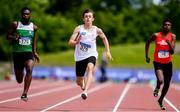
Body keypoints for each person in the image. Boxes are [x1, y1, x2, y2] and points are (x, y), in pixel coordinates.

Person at [68, 9, 113, 100]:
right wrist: (76, 42)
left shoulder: (97, 30)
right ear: (83, 19)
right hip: (79, 57)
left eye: (90, 16)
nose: (88, 18)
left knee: (90, 68)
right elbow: (70, 42)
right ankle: (83, 85)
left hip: (91, 54)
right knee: (79, 81)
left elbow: (104, 38)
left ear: (93, 19)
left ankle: (85, 91)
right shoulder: (78, 29)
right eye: (86, 16)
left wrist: (108, 51)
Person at [7, 7, 40, 102]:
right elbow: (7, 35)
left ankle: (25, 93)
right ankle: (20, 75)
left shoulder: (34, 27)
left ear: (30, 15)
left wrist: (35, 52)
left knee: (29, 69)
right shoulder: (15, 24)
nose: (25, 15)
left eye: (27, 14)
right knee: (19, 80)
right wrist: (14, 38)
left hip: (28, 53)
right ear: (21, 15)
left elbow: (34, 40)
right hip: (17, 54)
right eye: (24, 14)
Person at [145, 19, 176, 110]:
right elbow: (147, 43)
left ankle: (161, 100)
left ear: (170, 27)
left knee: (167, 84)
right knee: (161, 80)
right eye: (165, 24)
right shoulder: (156, 35)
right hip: (158, 63)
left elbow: (172, 52)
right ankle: (158, 87)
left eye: (169, 25)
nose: (167, 26)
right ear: (162, 26)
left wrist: (169, 43)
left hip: (168, 63)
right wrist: (146, 56)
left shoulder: (173, 36)